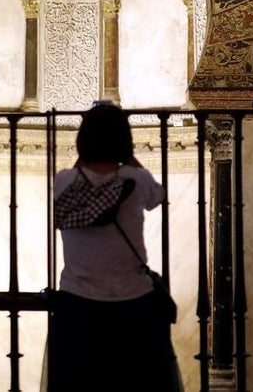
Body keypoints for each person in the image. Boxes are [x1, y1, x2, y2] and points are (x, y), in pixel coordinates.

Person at [48, 102, 176, 392]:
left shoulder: (65, 182)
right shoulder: (136, 180)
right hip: (134, 306)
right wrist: (127, 157)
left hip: (77, 305)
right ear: (123, 141)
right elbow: (158, 197)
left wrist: (85, 157)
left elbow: (78, 171)